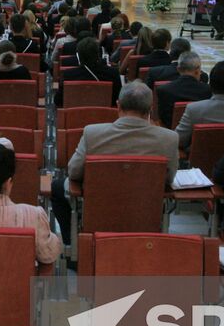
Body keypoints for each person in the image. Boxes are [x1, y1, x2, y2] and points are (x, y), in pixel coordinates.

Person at [56, 82, 178, 244]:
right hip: (144, 211)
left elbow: (74, 172)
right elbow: (168, 179)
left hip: (100, 209)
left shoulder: (92, 133)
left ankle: (74, 248)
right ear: (150, 109)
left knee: (56, 187)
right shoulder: (169, 138)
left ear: (118, 106)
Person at [154, 51, 213, 128]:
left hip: (171, 134)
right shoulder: (208, 90)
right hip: (198, 134)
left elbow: (162, 119)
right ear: (197, 71)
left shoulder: (163, 90)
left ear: (178, 69)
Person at [57, 37, 121, 106]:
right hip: (105, 115)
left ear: (79, 56)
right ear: (98, 54)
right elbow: (118, 98)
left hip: (75, 115)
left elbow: (58, 100)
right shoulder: (113, 73)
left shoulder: (68, 75)